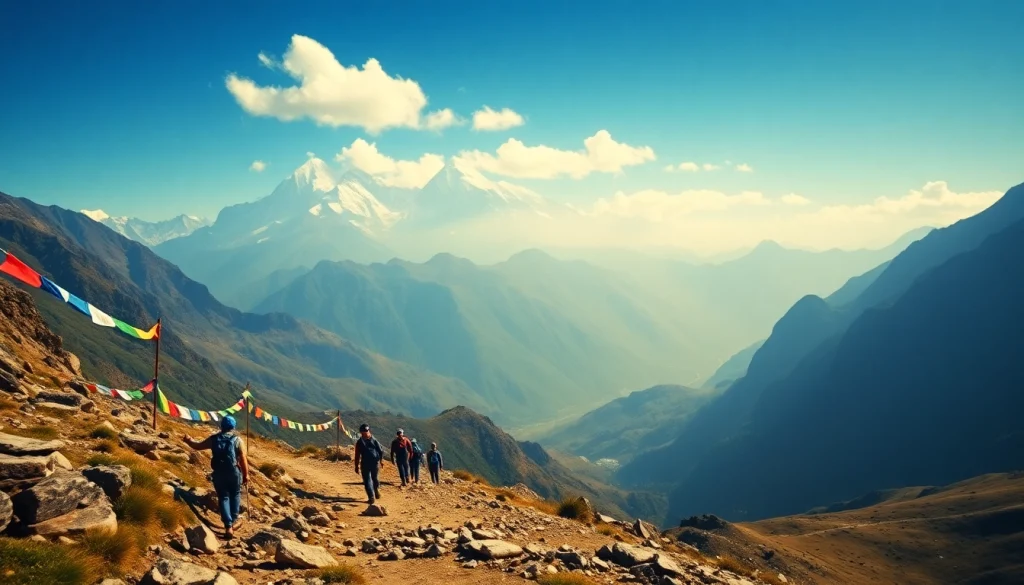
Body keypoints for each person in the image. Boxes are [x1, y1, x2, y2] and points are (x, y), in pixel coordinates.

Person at [183, 415, 249, 538]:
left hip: (218, 472)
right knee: (235, 494)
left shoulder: (214, 439)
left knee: (223, 497)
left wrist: (188, 440)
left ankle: (228, 526)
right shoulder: (238, 440)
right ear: (233, 427)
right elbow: (243, 459)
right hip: (234, 471)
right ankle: (234, 521)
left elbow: (197, 446)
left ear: (221, 426)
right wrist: (246, 475)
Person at [353, 423, 385, 504]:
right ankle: (375, 491)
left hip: (365, 463)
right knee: (374, 478)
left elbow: (357, 455)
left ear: (361, 432)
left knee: (367, 480)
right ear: (368, 430)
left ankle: (371, 497)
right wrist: (381, 461)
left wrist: (356, 466)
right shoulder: (374, 439)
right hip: (374, 462)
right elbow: (380, 451)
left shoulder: (359, 442)